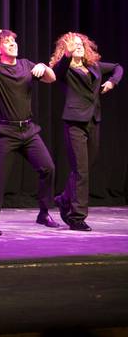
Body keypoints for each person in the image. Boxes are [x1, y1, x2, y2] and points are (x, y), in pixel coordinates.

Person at [0, 21, 59, 235]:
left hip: (28, 131)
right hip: (6, 132)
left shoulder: (27, 65)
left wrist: (44, 67)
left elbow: (51, 78)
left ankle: (44, 212)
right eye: (7, 42)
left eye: (14, 42)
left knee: (48, 168)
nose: (12, 45)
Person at [50, 32, 122, 231]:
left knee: (85, 168)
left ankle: (64, 198)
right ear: (66, 49)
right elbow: (59, 68)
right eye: (74, 44)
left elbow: (117, 67)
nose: (79, 46)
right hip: (75, 123)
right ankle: (77, 216)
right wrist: (67, 53)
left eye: (81, 44)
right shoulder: (64, 69)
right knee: (81, 170)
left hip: (93, 120)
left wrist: (111, 82)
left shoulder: (94, 67)